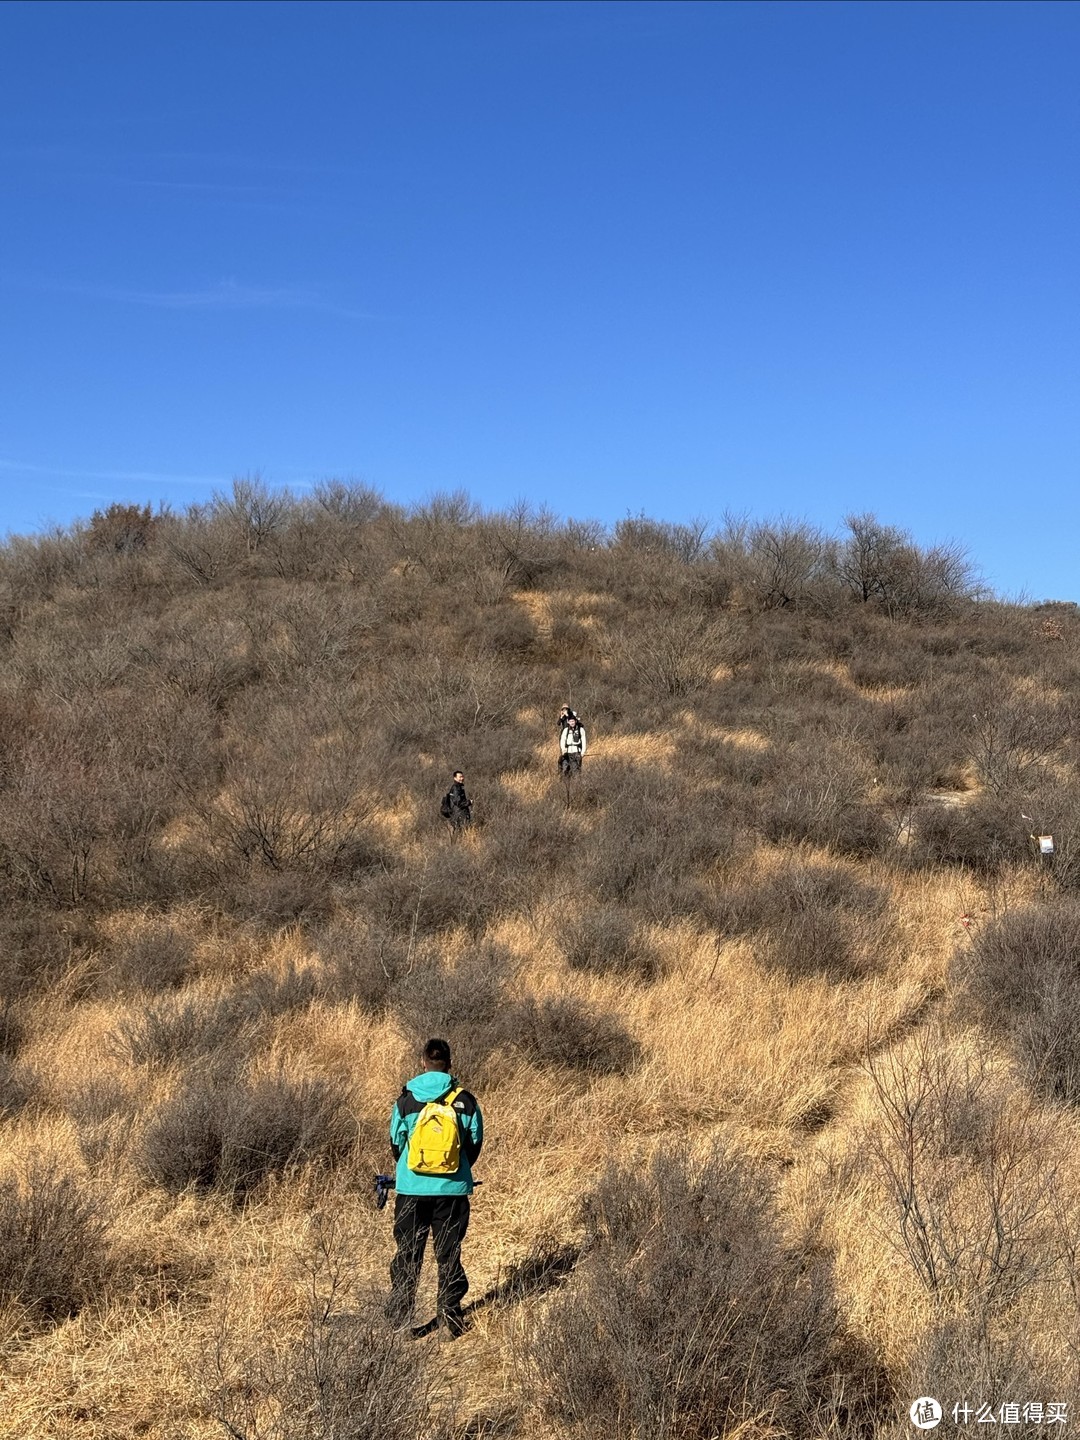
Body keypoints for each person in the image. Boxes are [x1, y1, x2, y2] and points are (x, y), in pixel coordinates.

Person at [385, 1037, 483, 1338]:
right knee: (448, 1253)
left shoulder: (406, 1100)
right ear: (449, 1064)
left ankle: (400, 1323)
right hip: (451, 1192)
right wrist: (455, 1168)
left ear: (422, 1062)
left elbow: (396, 1142)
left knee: (408, 1253)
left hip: (412, 1189)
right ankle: (450, 1321)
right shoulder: (465, 1101)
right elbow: (474, 1144)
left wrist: (411, 1169)